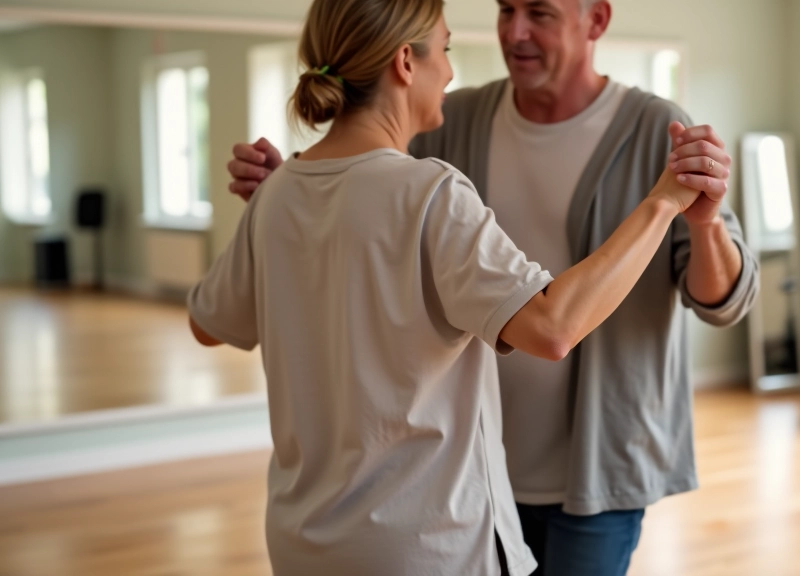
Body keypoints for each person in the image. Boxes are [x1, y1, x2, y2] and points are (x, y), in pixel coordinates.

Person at [229, 1, 758, 574]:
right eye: (506, 9)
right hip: (470, 473)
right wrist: (304, 189)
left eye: (539, 12)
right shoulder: (453, 121)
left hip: (601, 462)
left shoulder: (658, 128)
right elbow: (374, 198)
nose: (515, 31)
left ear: (596, 21)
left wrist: (704, 226)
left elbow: (722, 300)